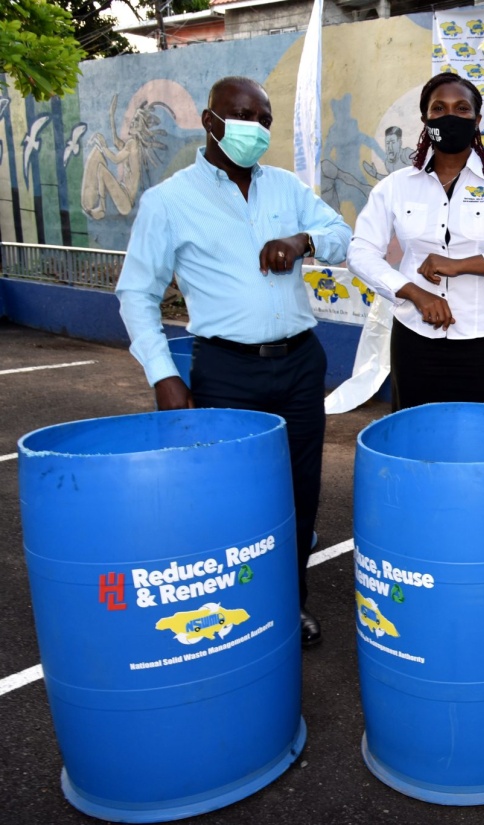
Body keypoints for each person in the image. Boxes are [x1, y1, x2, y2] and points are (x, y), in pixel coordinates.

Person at [115, 76, 352, 648]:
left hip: (299, 364)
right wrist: (164, 375)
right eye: (242, 114)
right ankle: (234, 609)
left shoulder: (286, 188)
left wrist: (302, 242)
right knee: (230, 497)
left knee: (299, 492)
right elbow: (136, 294)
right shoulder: (169, 201)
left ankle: (288, 604)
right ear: (210, 119)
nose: (254, 127)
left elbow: (342, 234)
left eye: (264, 119)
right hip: (226, 370)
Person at [348, 72, 484, 410]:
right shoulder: (395, 186)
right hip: (414, 338)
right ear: (425, 120)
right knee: (415, 437)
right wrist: (411, 292)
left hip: (483, 344)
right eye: (438, 108)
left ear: (477, 120)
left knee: (482, 442)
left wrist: (464, 265)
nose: (450, 116)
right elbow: (360, 251)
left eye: (461, 109)